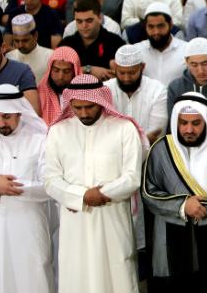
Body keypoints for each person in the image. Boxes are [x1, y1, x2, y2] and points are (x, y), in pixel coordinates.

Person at [44, 74, 144, 293]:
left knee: (117, 276)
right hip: (74, 221)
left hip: (112, 218)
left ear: (101, 101)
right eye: (77, 107)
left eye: (89, 106)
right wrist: (81, 196)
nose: (83, 113)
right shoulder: (58, 131)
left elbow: (132, 177)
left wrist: (101, 194)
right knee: (76, 274)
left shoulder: (124, 129)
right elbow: (50, 179)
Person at [142, 92, 207, 290]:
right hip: (172, 238)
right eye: (183, 123)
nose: (188, 129)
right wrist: (182, 205)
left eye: (196, 123)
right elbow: (149, 192)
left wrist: (200, 207)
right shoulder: (161, 149)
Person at [0, 84, 52, 293]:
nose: (0, 123)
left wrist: (15, 187)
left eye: (6, 117)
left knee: (32, 273)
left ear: (19, 113)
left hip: (29, 223)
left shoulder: (39, 140)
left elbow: (49, 184)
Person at [105, 44, 168, 144]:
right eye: (122, 73)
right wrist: (143, 141)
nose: (126, 78)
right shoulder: (105, 90)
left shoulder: (158, 90)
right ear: (115, 68)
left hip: (148, 156)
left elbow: (156, 133)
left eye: (132, 73)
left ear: (142, 67)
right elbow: (104, 133)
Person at [60, 0, 126, 80]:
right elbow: (57, 75)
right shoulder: (66, 45)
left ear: (100, 18)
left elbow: (126, 77)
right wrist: (88, 70)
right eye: (79, 21)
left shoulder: (116, 43)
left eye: (89, 20)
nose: (84, 26)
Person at [135, 2, 187, 86]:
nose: (156, 32)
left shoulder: (186, 50)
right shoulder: (136, 51)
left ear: (170, 25)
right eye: (151, 27)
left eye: (160, 26)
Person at [38, 45, 82, 125]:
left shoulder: (84, 94)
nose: (60, 76)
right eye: (56, 70)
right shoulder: (39, 92)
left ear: (75, 72)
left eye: (67, 71)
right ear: (50, 70)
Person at [5, 13, 53, 83]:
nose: (20, 45)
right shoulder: (8, 58)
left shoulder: (50, 56)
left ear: (35, 36)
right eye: (17, 41)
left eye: (25, 40)